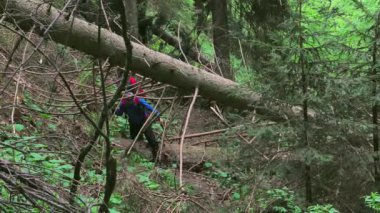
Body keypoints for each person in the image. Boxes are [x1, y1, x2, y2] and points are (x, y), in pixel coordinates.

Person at [115, 77, 160, 159]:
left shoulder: (137, 100)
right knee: (135, 139)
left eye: (129, 97)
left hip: (144, 121)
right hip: (133, 123)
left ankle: (156, 156)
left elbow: (149, 107)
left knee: (151, 139)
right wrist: (114, 110)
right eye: (126, 97)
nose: (128, 99)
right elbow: (119, 113)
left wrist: (157, 113)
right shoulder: (123, 103)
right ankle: (140, 156)